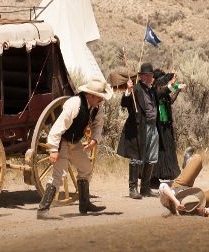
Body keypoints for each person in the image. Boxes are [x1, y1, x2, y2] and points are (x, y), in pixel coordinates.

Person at [37, 78, 113, 220]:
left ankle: (84, 204)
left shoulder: (96, 107)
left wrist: (94, 140)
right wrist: (53, 149)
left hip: (75, 143)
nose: (102, 99)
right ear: (91, 95)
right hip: (63, 142)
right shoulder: (75, 104)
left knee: (86, 168)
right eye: (100, 96)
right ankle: (42, 210)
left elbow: (98, 124)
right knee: (59, 175)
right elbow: (57, 128)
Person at [117, 63, 168, 199]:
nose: (152, 77)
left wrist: (171, 86)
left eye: (152, 75)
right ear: (143, 76)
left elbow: (161, 94)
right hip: (139, 128)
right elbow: (124, 103)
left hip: (152, 127)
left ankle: (145, 188)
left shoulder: (151, 89)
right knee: (136, 157)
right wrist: (128, 90)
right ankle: (133, 189)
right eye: (149, 75)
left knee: (151, 158)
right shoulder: (136, 89)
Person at [158, 152, 209, 216]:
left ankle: (187, 164)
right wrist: (204, 211)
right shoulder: (190, 207)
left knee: (197, 158)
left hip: (180, 185)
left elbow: (163, 186)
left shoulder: (167, 200)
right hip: (196, 198)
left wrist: (176, 201)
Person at [150, 69, 186, 188]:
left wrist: (178, 90)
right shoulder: (154, 91)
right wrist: (173, 84)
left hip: (166, 125)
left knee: (168, 150)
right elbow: (163, 92)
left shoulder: (163, 93)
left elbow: (170, 101)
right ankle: (153, 178)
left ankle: (168, 174)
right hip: (157, 126)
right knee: (157, 152)